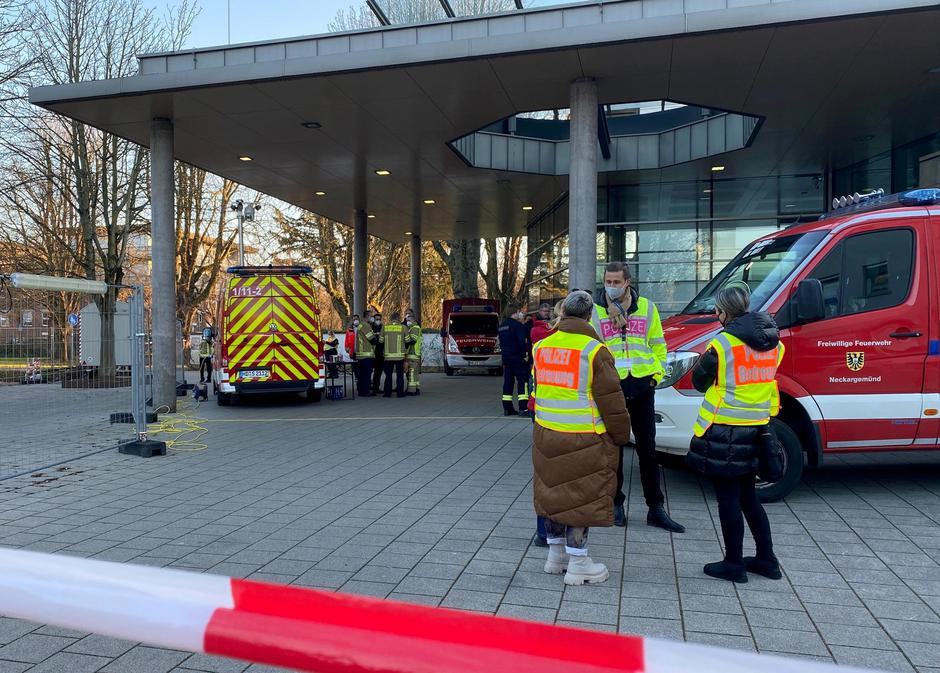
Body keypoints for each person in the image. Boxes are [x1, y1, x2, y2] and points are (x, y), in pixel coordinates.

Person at [686, 282, 783, 583]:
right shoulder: (775, 343)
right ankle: (767, 559)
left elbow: (699, 382)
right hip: (758, 429)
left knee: (728, 498)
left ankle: (733, 563)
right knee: (748, 498)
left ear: (724, 311)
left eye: (717, 310)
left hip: (725, 430)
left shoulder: (722, 344)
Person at [532, 290, 631, 586]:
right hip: (584, 437)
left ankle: (555, 557)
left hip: (546, 433)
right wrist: (621, 435)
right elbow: (612, 401)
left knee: (552, 493)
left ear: (563, 313)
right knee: (579, 499)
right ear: (589, 315)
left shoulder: (542, 347)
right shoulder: (594, 350)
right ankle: (579, 564)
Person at [592, 262, 684, 534]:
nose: (611, 286)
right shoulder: (596, 311)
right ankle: (616, 504)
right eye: (608, 281)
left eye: (617, 282)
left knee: (648, 451)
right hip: (612, 388)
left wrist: (655, 376)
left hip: (643, 386)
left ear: (628, 282)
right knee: (614, 451)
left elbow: (658, 345)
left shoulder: (647, 307)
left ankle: (655, 508)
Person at [529, 299, 563, 548]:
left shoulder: (542, 345)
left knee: (545, 475)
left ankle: (545, 532)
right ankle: (560, 535)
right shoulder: (588, 346)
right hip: (573, 422)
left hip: (542, 413)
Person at [498, 307, 531, 417]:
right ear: (514, 313)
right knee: (523, 382)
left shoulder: (502, 326)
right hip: (517, 357)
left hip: (506, 357)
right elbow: (522, 342)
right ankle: (523, 408)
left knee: (508, 381)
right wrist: (524, 355)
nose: (520, 314)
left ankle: (507, 408)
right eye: (519, 312)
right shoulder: (518, 326)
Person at [382, 312, 407, 398]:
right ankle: (400, 393)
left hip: (388, 356)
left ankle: (387, 393)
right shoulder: (403, 327)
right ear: (398, 318)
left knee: (388, 375)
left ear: (390, 318)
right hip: (399, 356)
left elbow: (381, 341)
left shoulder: (385, 328)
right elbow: (407, 340)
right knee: (400, 375)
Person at [355, 311, 379, 396]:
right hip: (366, 354)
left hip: (361, 354)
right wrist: (377, 338)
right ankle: (366, 391)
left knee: (361, 375)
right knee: (366, 375)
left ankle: (361, 391)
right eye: (371, 316)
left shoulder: (360, 325)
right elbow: (372, 339)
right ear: (368, 316)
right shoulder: (365, 325)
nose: (372, 318)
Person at [404, 308, 422, 396]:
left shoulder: (414, 328)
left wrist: (404, 341)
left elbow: (413, 341)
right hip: (415, 354)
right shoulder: (413, 327)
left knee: (411, 373)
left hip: (413, 354)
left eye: (408, 320)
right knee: (414, 374)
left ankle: (411, 391)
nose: (407, 322)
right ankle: (416, 388)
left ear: (412, 319)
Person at [371, 310, 385, 395]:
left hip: (380, 352)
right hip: (371, 352)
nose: (378, 320)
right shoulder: (370, 327)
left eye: (379, 319)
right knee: (370, 372)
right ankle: (370, 387)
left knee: (378, 371)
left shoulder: (383, 327)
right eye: (376, 319)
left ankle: (376, 387)